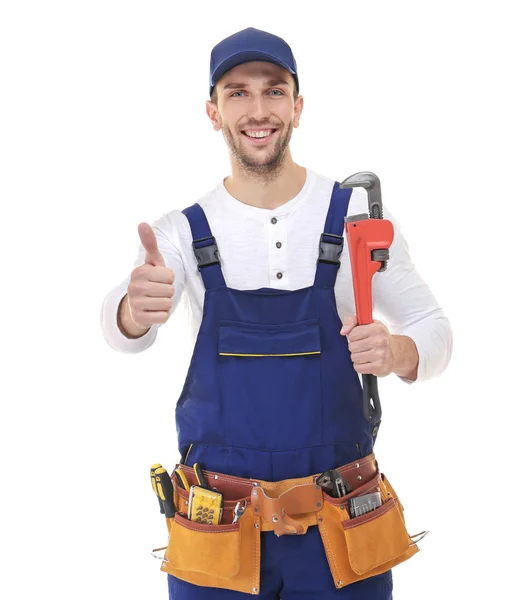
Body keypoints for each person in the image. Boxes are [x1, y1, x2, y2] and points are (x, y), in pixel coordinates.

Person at [100, 27, 452, 600]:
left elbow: (434, 328)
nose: (257, 110)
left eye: (274, 91)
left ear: (298, 105)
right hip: (218, 536)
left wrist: (398, 352)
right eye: (237, 93)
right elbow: (119, 332)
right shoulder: (182, 233)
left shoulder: (354, 215)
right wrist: (132, 313)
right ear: (213, 112)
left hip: (342, 529)